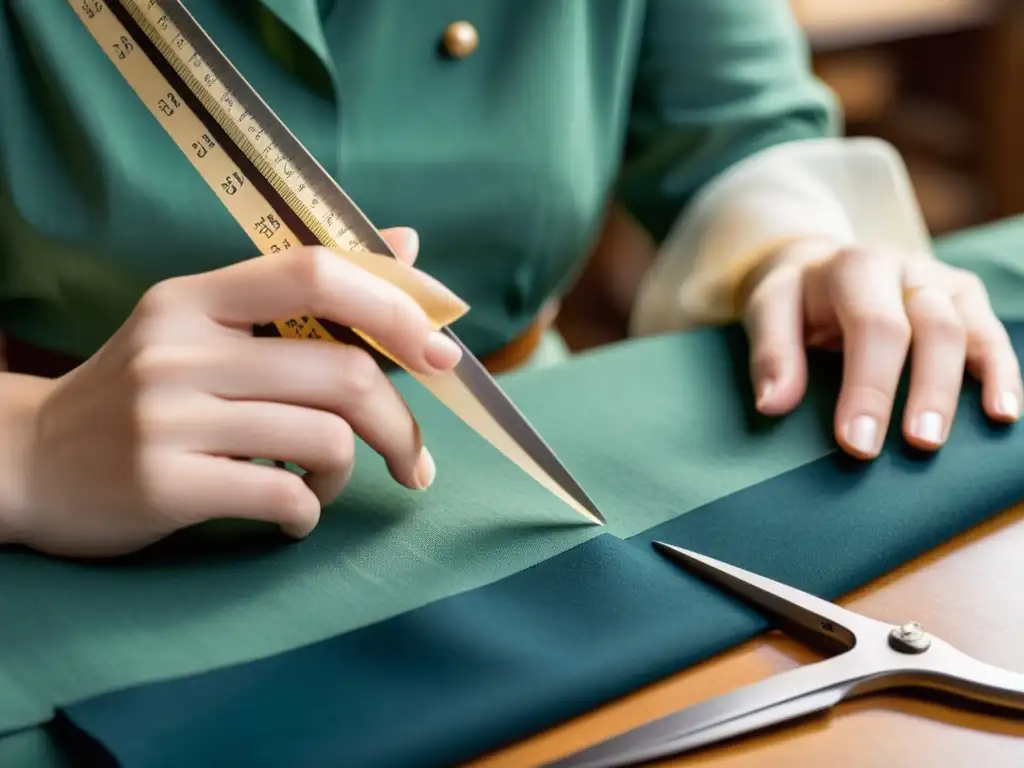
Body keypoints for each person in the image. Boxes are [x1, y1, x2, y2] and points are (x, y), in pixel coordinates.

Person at [0, 0, 1019, 558]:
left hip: (519, 497)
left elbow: (737, 133)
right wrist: (33, 444)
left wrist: (801, 253)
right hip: (78, 548)